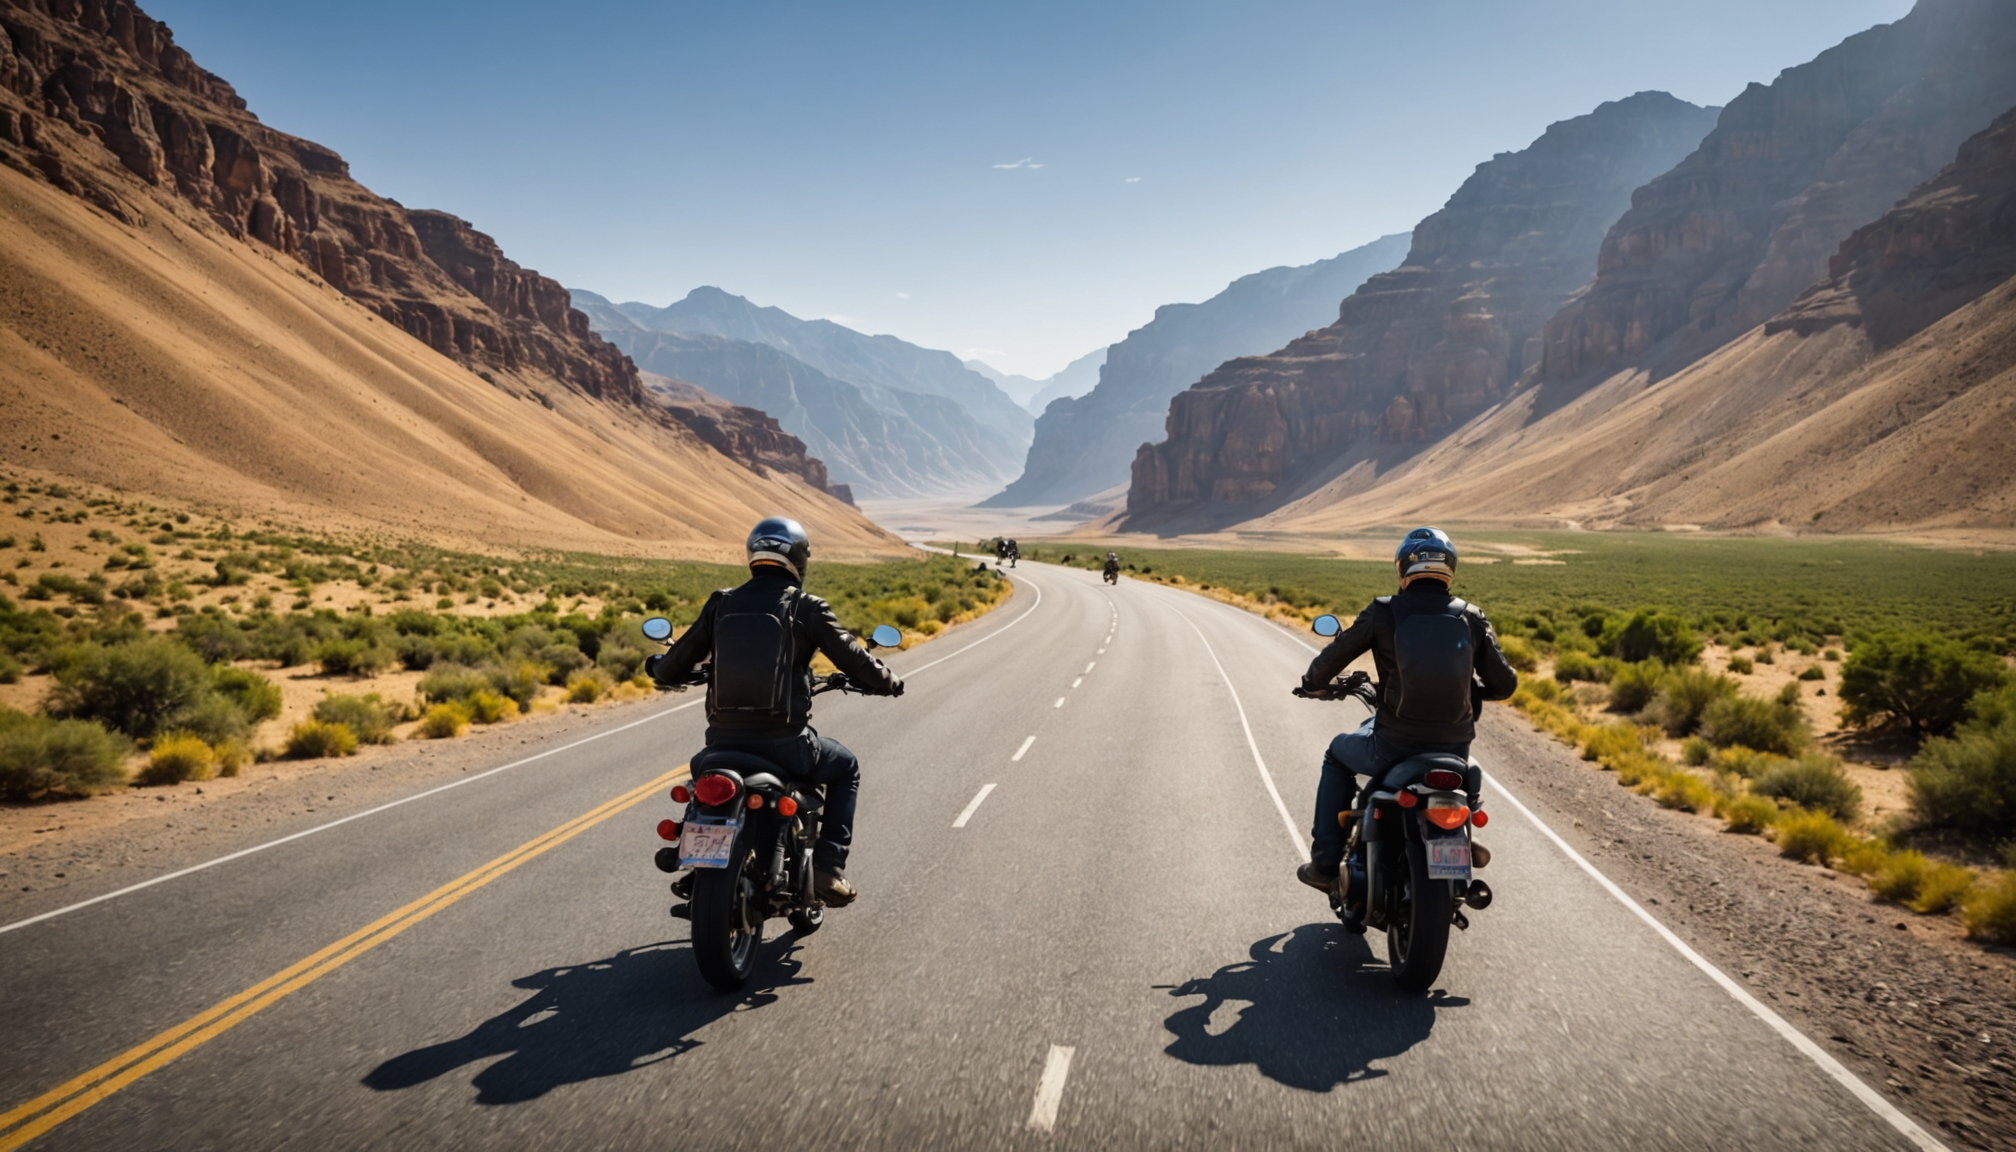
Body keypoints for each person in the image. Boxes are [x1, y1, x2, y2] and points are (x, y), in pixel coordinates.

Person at [649, 517, 904, 907]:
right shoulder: (806, 607)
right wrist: (888, 681)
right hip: (787, 746)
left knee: (701, 780)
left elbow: (671, 666)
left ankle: (700, 865)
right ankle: (828, 869)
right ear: (800, 559)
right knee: (845, 766)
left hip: (720, 746)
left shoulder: (721, 603)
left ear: (754, 554)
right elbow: (855, 659)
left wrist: (660, 668)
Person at [1294, 527, 1518, 897]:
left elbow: (1331, 660)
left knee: (1336, 753)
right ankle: (1457, 841)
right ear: (1450, 570)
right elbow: (1505, 685)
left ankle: (1325, 863)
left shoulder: (1383, 611)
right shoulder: (1472, 617)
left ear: (1402, 570)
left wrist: (1314, 683)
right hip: (1454, 752)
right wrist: (1475, 690)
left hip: (1393, 746)